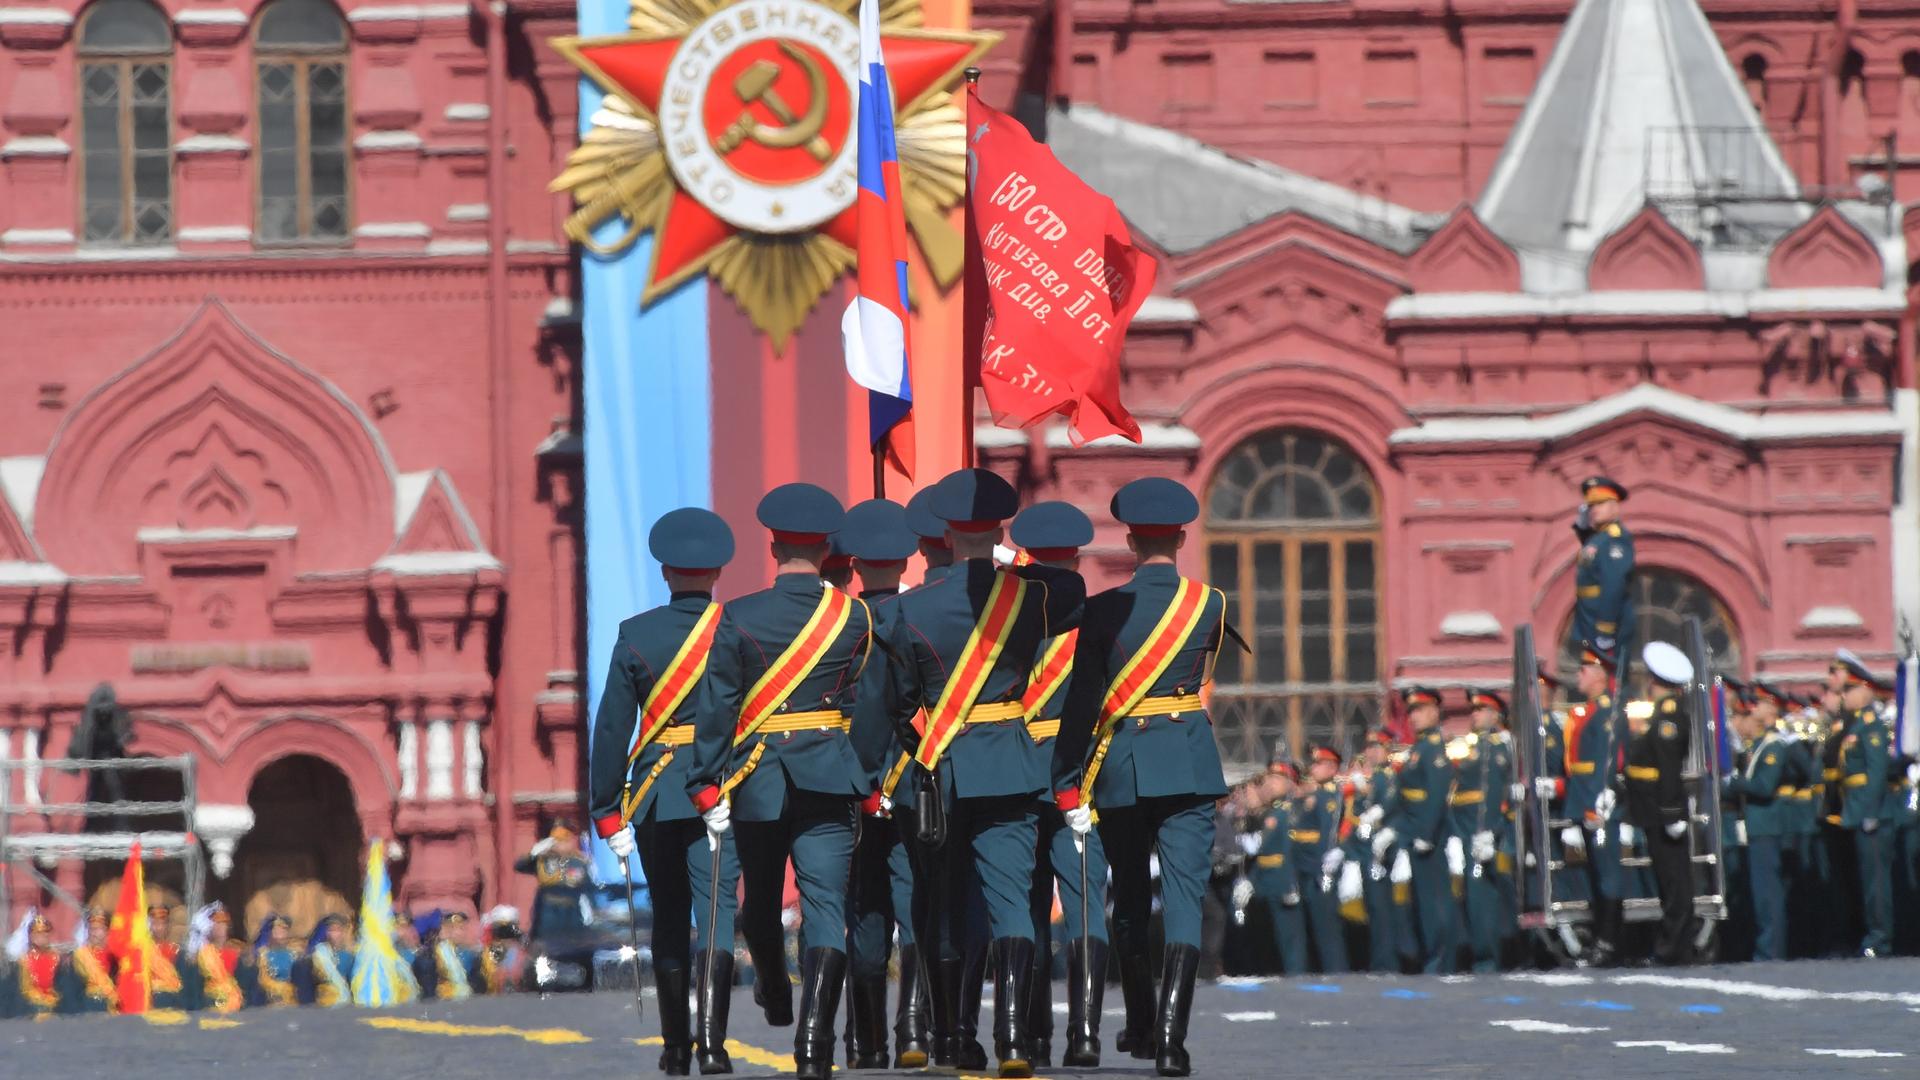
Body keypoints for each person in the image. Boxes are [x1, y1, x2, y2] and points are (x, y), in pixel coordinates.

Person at [869, 468, 1084, 1079]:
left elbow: (894, 699)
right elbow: (1072, 594)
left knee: (940, 904)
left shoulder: (907, 611)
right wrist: (1010, 561)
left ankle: (951, 1037)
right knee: (1012, 903)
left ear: (942, 531)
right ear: (999, 527)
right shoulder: (1033, 596)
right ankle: (1014, 1039)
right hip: (1013, 764)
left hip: (938, 771)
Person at [685, 483, 891, 1080]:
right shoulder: (855, 618)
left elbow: (718, 705)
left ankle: (774, 989)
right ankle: (813, 1045)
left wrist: (705, 778)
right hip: (830, 773)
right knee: (828, 908)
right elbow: (870, 704)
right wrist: (864, 769)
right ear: (828, 548)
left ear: (772, 545)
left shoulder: (738, 617)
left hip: (758, 779)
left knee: (759, 906)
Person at [1055, 476, 1224, 1079]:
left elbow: (1081, 704)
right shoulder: (1210, 605)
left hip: (1124, 766)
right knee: (1183, 899)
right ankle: (1173, 1043)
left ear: (1129, 539)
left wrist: (1066, 778)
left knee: (1127, 899)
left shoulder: (1100, 611)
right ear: (1181, 537)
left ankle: (1146, 1025)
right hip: (1190, 762)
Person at [588, 506, 743, 1076]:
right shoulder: (738, 628)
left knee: (671, 919)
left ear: (665, 573)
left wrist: (606, 809)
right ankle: (714, 1045)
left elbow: (611, 729)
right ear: (718, 572)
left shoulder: (636, 635)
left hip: (654, 793)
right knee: (718, 914)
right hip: (720, 793)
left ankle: (677, 1047)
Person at [1007, 500, 1107, 1068]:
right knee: (1085, 905)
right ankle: (1085, 1033)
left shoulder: (997, 624)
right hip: (1079, 777)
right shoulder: (1098, 621)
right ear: (1074, 559)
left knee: (1022, 906)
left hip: (1016, 773)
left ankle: (1032, 1033)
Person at [836, 497, 921, 1070]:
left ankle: (867, 1041)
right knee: (917, 911)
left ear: (856, 563)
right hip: (920, 790)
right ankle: (914, 1030)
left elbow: (856, 715)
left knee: (865, 918)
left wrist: (865, 783)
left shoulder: (838, 627)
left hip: (853, 792)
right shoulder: (928, 618)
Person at [1628, 642, 1696, 965]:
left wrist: (1671, 812)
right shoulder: (1660, 714)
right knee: (1668, 881)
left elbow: (1668, 769)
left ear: (1656, 681)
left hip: (1662, 809)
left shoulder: (1669, 717)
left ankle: (1675, 947)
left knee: (1675, 882)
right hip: (1653, 808)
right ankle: (1674, 945)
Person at [1725, 683, 1795, 962]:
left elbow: (1765, 786)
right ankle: (1765, 947)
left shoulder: (1774, 746)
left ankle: (1772, 949)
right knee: (1760, 893)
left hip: (1768, 827)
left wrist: (1735, 783)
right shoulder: (1758, 747)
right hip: (1757, 827)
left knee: (1769, 894)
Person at [1564, 643, 1625, 965]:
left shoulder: (1607, 713)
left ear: (1600, 676)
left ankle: (1610, 942)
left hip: (1599, 806)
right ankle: (1602, 937)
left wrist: (1602, 796)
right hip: (1585, 801)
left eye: (1584, 670)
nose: (1579, 675)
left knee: (1608, 874)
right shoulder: (1590, 712)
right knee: (1594, 874)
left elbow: (1608, 760)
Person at [1834, 652, 1895, 958]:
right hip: (1857, 811)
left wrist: (1870, 811)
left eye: (1847, 690)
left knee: (1877, 883)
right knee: (1866, 880)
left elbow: (1877, 772)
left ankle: (1880, 938)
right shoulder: (1857, 725)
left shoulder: (1871, 726)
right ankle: (1872, 934)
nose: (1843, 696)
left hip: (1872, 812)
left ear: (1864, 690)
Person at [1396, 687, 1458, 974]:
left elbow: (1436, 794)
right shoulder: (1419, 747)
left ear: (1435, 711)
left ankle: (1441, 959)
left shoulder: (1433, 748)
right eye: (1411, 712)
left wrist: (1427, 833)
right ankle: (1431, 956)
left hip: (1428, 837)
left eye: (1419, 710)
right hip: (1414, 832)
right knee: (1423, 901)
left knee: (1435, 901)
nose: (1414, 717)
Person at [1454, 691, 1515, 972]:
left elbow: (1505, 797)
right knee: (1473, 899)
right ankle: (1480, 957)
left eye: (1481, 710)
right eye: (1473, 710)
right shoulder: (1468, 747)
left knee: (1493, 898)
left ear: (1496, 715)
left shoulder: (1503, 749)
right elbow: (1455, 793)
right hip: (1466, 832)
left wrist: (1495, 831)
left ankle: (1496, 958)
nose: (1474, 715)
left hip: (1494, 835)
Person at [1289, 745, 1349, 973]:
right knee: (1314, 922)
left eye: (1318, 763)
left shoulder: (1331, 795)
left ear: (1332, 767)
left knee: (1326, 924)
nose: (1312, 768)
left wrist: (1328, 856)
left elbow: (1329, 830)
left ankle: (1336, 970)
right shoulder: (1316, 794)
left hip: (1319, 864)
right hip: (1305, 864)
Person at [1351, 729, 1406, 973]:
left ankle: (1388, 962)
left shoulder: (1390, 776)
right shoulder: (1373, 780)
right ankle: (1380, 961)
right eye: (1369, 747)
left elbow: (1395, 809)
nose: (1371, 752)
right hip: (1368, 852)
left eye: (1377, 747)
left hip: (1387, 852)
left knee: (1384, 910)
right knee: (1375, 909)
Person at [1251, 760, 1307, 974]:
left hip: (1285, 881)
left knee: (1291, 939)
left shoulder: (1291, 811)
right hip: (1269, 882)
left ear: (1291, 784)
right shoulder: (1273, 812)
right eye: (1269, 778)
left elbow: (1292, 852)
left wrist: (1291, 883)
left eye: (1277, 779)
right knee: (1277, 939)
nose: (1270, 784)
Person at [1570, 476, 1635, 660]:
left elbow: (1613, 584)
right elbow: (1589, 546)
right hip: (1589, 619)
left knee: (1607, 677)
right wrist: (1580, 525)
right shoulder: (1599, 537)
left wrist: (1606, 628)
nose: (1594, 509)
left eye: (1600, 503)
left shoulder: (1616, 539)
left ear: (1615, 506)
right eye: (1591, 505)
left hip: (1604, 622)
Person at [187, 904, 250, 1014]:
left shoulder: (236, 953)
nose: (220, 927)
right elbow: (196, 985)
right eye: (216, 924)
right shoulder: (202, 955)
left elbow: (244, 982)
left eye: (223, 924)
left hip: (235, 1004)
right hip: (209, 1004)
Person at [64, 908, 117, 1014]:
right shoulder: (79, 956)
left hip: (112, 1007)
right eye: (91, 929)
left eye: (97, 929)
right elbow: (72, 988)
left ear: (107, 930)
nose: (93, 933)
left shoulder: (116, 956)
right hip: (87, 1006)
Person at [298, 914, 356, 1007]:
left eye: (338, 930)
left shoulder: (348, 956)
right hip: (323, 1004)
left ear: (343, 932)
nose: (335, 934)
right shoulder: (319, 953)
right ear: (327, 933)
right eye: (331, 930)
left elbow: (352, 982)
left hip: (344, 1004)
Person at [11, 911, 60, 1018]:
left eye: (44, 933)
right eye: (37, 933)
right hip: (31, 1004)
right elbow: (24, 988)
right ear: (30, 936)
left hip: (55, 1002)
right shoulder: (24, 960)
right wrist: (39, 998)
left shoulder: (56, 958)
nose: (41, 936)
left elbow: (61, 985)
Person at [250, 913, 302, 1007]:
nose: (279, 932)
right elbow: (262, 980)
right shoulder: (263, 954)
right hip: (270, 1001)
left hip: (293, 1001)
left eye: (282, 929)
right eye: (276, 929)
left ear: (287, 932)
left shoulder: (295, 953)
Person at [148, 903, 187, 1010]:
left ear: (168, 925)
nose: (158, 927)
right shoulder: (143, 952)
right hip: (150, 1003)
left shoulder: (177, 951)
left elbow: (184, 984)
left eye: (162, 923)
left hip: (173, 1002)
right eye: (155, 923)